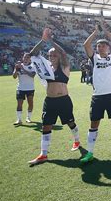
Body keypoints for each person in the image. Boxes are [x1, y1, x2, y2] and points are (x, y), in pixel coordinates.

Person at [28, 28, 81, 165]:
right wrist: (43, 40)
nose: (51, 57)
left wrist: (51, 40)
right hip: (49, 101)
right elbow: (33, 54)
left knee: (70, 123)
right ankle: (43, 154)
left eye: (54, 55)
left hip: (64, 101)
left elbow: (63, 53)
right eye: (49, 55)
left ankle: (77, 140)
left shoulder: (64, 67)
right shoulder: (46, 68)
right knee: (46, 126)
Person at [80, 23, 111, 164]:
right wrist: (95, 32)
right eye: (98, 46)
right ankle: (90, 152)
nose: (100, 47)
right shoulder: (94, 58)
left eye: (103, 45)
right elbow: (86, 45)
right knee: (94, 124)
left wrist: (105, 31)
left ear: (108, 48)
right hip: (97, 96)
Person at [13, 53, 36, 125]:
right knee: (19, 103)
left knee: (30, 103)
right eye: (25, 57)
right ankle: (19, 119)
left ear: (30, 59)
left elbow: (32, 75)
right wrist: (16, 69)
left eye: (28, 57)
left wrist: (23, 69)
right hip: (20, 88)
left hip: (30, 88)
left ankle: (28, 118)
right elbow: (14, 76)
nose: (26, 59)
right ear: (23, 58)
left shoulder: (32, 66)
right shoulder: (18, 66)